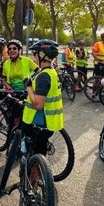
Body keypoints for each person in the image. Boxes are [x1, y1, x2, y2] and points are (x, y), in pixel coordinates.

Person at [19, 39, 64, 167]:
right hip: (48, 122)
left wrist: (28, 88)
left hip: (37, 123)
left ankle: (32, 181)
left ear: (42, 55)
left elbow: (38, 104)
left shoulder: (43, 76)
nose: (34, 57)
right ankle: (39, 179)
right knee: (40, 153)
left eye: (35, 53)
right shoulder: (51, 72)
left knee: (31, 155)